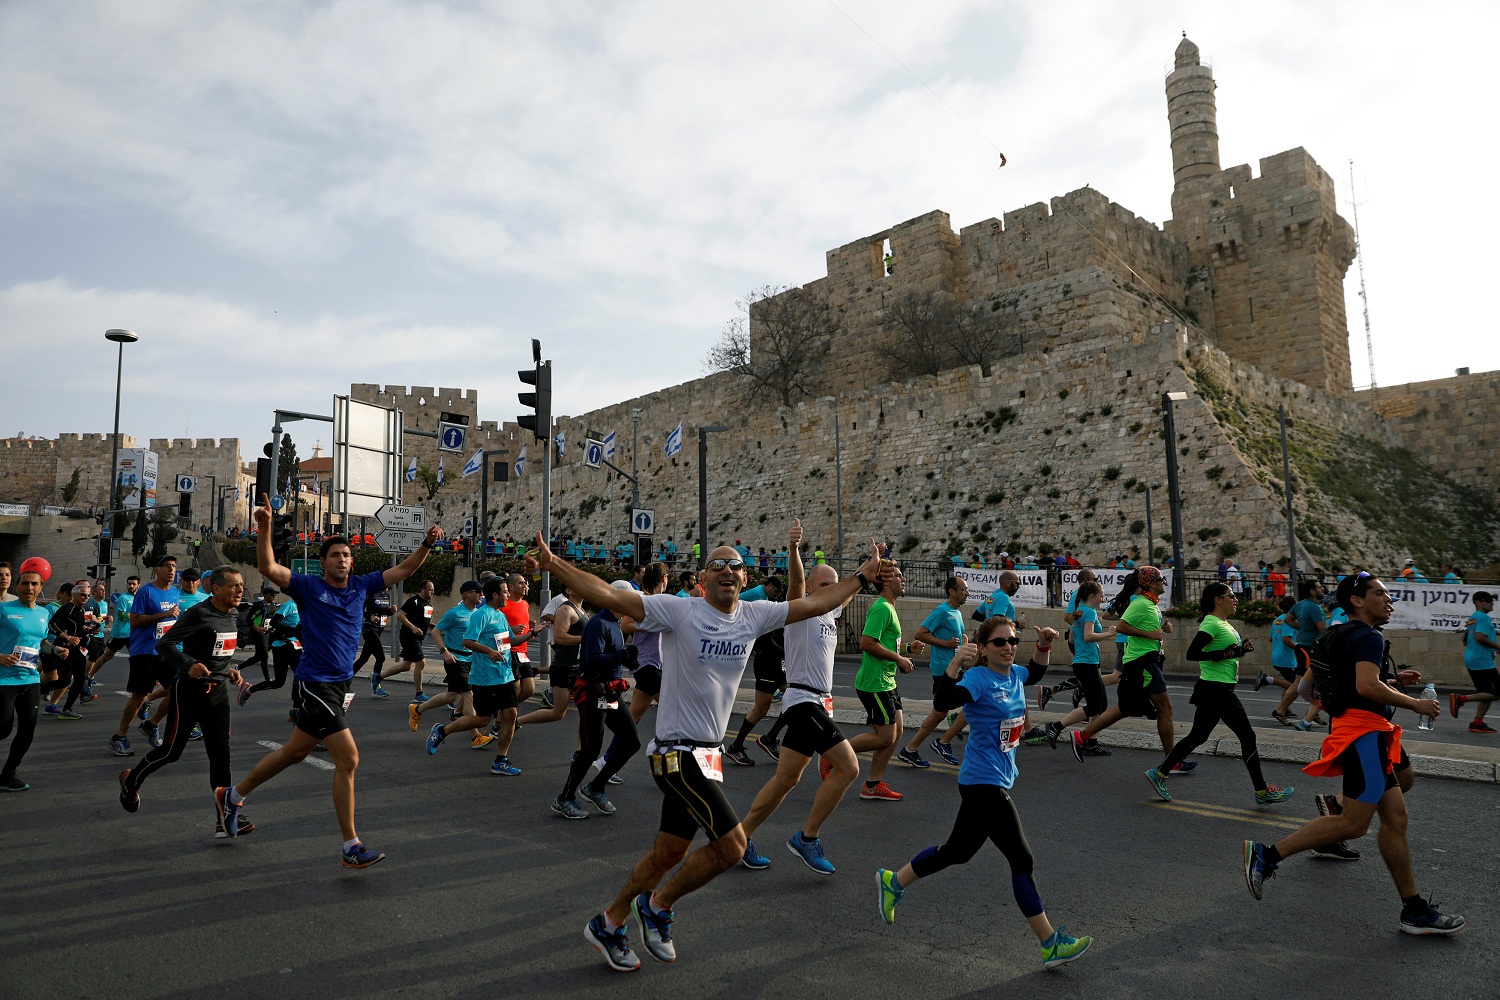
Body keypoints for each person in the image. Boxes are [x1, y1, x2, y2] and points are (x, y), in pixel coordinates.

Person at [534, 528, 886, 972]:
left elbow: (816, 603)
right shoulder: (680, 611)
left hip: (709, 755)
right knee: (732, 847)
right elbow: (610, 595)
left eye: (734, 564)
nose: (725, 569)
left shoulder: (754, 616)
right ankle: (658, 906)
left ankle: (609, 921)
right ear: (703, 579)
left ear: (744, 577)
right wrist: (555, 565)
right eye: (716, 564)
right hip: (675, 752)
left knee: (669, 853)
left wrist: (862, 577)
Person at [215, 495, 442, 867]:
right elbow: (268, 566)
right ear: (324, 563)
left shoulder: (362, 586)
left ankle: (232, 796)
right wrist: (265, 525)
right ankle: (351, 845)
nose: (342, 559)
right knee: (349, 758)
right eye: (335, 555)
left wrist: (428, 543)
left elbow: (404, 570)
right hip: (315, 683)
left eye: (346, 555)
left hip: (339, 683)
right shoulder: (308, 587)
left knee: (294, 752)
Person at [1243, 573, 1464, 935]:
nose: (1389, 601)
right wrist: (1415, 704)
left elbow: (1307, 687)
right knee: (1354, 824)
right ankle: (1265, 856)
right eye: (1380, 594)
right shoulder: (1368, 637)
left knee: (1396, 818)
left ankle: (1414, 910)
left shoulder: (1336, 634)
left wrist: (1349, 703)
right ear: (1358, 601)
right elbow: (1364, 685)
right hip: (1364, 735)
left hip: (1361, 731)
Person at [876, 616, 1093, 970]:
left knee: (956, 852)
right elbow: (943, 701)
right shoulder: (978, 679)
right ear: (983, 648)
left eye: (1011, 641)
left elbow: (1035, 674)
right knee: (1022, 861)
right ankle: (1050, 942)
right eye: (999, 642)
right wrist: (955, 665)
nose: (1008, 646)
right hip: (982, 783)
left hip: (997, 778)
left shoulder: (1014, 676)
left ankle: (893, 881)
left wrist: (1043, 645)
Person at [738, 518, 860, 875]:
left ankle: (740, 839)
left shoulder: (830, 611)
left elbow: (846, 593)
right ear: (810, 587)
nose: (831, 590)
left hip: (816, 701)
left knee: (786, 779)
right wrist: (793, 550)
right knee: (848, 766)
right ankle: (807, 838)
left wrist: (870, 570)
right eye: (824, 585)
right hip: (802, 700)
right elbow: (794, 583)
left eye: (834, 586)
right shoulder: (799, 608)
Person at [118, 566, 253, 838]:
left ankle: (223, 818)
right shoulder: (199, 613)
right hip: (189, 690)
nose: (239, 590)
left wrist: (228, 670)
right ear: (216, 589)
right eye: (233, 585)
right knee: (171, 751)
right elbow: (165, 644)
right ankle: (131, 781)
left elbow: (218, 652)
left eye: (241, 585)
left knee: (221, 754)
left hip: (217, 693)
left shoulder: (234, 616)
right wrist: (188, 664)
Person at [1144, 583, 1293, 805]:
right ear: (1218, 599)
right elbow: (1193, 654)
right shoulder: (1211, 623)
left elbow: (1224, 654)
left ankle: (1160, 773)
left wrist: (1239, 650)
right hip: (1217, 689)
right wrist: (1224, 653)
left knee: (1198, 736)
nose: (1235, 600)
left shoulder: (1224, 624)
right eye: (1231, 596)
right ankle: (1262, 790)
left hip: (1215, 687)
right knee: (1247, 736)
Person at [1064, 567, 1184, 767]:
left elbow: (1146, 627)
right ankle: (1172, 762)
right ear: (1151, 583)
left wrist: (1163, 628)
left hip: (1146, 660)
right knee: (1165, 708)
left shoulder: (1151, 604)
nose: (1164, 582)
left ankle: (1083, 736)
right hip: (1142, 662)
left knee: (1125, 708)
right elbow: (1121, 626)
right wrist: (1150, 635)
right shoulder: (1141, 603)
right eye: (1161, 579)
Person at [553, 580, 641, 818]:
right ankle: (565, 798)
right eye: (629, 599)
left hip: (610, 693)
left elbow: (613, 658)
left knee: (631, 742)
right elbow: (592, 661)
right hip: (593, 692)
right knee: (590, 750)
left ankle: (595, 787)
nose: (633, 603)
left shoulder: (615, 623)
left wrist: (628, 660)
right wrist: (621, 656)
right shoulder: (598, 623)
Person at [434, 577, 522, 775]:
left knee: (511, 714)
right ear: (495, 595)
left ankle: (501, 760)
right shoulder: (481, 615)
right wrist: (489, 651)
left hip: (504, 674)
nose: (508, 595)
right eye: (505, 592)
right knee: (482, 720)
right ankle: (442, 731)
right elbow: (467, 641)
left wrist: (534, 632)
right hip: (485, 676)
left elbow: (511, 641)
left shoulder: (500, 615)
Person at [851, 563, 916, 801]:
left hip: (887, 681)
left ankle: (872, 785)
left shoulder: (890, 607)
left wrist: (906, 649)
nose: (903, 579)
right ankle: (834, 752)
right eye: (899, 575)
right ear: (887, 581)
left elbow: (885, 643)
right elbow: (867, 643)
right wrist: (899, 657)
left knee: (896, 732)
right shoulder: (882, 608)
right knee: (885, 737)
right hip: (875, 683)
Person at [109, 557, 179, 755]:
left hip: (166, 652)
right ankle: (120, 737)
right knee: (139, 697)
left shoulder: (175, 592)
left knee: (178, 688)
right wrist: (163, 615)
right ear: (157, 570)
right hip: (144, 651)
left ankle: (152, 724)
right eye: (167, 566)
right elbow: (135, 621)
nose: (171, 570)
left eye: (174, 566)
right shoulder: (146, 591)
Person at [899, 576, 969, 768]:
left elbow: (956, 638)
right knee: (972, 701)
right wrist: (945, 644)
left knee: (940, 712)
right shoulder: (942, 611)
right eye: (963, 589)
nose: (967, 593)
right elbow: (920, 634)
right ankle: (943, 740)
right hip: (943, 670)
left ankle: (911, 749)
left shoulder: (956, 612)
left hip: (955, 667)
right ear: (951, 591)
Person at [1043, 582, 1118, 748]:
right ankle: (1057, 726)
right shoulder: (1089, 612)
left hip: (1084, 662)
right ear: (1092, 596)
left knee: (1100, 705)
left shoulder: (1080, 611)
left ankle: (1090, 741)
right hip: (1086, 663)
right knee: (1094, 706)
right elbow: (1088, 636)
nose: (1102, 598)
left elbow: (1073, 637)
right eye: (1101, 595)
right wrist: (1109, 633)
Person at [725, 576, 786, 766]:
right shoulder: (767, 605)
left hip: (778, 663)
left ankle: (770, 738)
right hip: (766, 661)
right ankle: (736, 746)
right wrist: (786, 653)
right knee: (761, 708)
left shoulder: (788, 608)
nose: (778, 595)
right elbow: (767, 640)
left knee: (796, 699)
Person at [0, 565, 50, 791]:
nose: (29, 587)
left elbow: (42, 643)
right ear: (17, 586)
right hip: (4, 680)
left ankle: (8, 774)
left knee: (27, 730)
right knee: (3, 730)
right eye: (24, 583)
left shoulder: (44, 613)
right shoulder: (3, 610)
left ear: (40, 587)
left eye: (34, 584)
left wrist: (57, 650)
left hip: (30, 679)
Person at [412, 581, 483, 737]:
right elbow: (436, 631)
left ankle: (417, 709)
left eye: (482, 592)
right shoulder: (455, 613)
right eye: (477, 592)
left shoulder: (478, 613)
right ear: (466, 594)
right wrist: (444, 652)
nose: (481, 595)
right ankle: (475, 736)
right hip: (454, 659)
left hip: (471, 659)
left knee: (451, 696)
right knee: (468, 696)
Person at [515, 584, 582, 727]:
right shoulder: (564, 606)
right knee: (558, 713)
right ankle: (517, 721)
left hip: (577, 665)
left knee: (587, 711)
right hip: (565, 667)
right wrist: (561, 623)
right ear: (569, 590)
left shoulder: (581, 610)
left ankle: (583, 749)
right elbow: (549, 621)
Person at [1273, 580, 1326, 725]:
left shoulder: (1300, 605)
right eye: (1319, 587)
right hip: (1309, 648)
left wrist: (1303, 628)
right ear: (1312, 591)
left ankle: (1313, 713)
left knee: (1315, 683)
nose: (1322, 588)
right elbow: (1324, 631)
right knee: (1299, 683)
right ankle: (1281, 710)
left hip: (1303, 647)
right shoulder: (1315, 608)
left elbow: (1288, 620)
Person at [240, 588, 299, 705]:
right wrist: (289, 630)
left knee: (302, 677)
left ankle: (296, 709)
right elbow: (274, 622)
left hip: (295, 647)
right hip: (282, 647)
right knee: (278, 682)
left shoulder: (306, 608)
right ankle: (250, 690)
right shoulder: (290, 605)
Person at [378, 579, 435, 701]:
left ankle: (378, 677)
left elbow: (425, 619)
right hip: (409, 636)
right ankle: (419, 694)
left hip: (418, 638)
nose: (432, 592)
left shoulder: (429, 604)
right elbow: (400, 615)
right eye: (430, 589)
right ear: (422, 589)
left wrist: (431, 625)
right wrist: (413, 628)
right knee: (421, 663)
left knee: (406, 666)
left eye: (433, 590)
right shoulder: (413, 601)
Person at [1452, 591, 1498, 733]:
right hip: (1482, 660)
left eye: (1492, 600)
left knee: (1486, 692)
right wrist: (1497, 647)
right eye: (1488, 600)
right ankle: (1461, 699)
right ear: (1478, 602)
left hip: (1474, 658)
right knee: (1496, 692)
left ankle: (1477, 722)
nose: (1492, 603)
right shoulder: (1483, 618)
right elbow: (1479, 637)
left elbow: (1465, 640)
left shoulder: (1473, 618)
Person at [89, 575, 139, 685]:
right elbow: (121, 616)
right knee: (107, 656)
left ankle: (134, 682)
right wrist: (136, 615)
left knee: (136, 657)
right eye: (129, 583)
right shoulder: (123, 598)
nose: (131, 586)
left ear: (138, 585)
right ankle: (90, 675)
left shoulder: (138, 598)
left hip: (132, 633)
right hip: (120, 633)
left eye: (133, 584)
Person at [358, 588, 394, 697]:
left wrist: (390, 612)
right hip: (369, 629)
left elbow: (384, 613)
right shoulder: (371, 594)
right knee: (381, 657)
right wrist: (370, 617)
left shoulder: (387, 596)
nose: (387, 586)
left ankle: (343, 681)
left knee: (363, 659)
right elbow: (359, 609)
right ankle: (376, 686)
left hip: (379, 629)